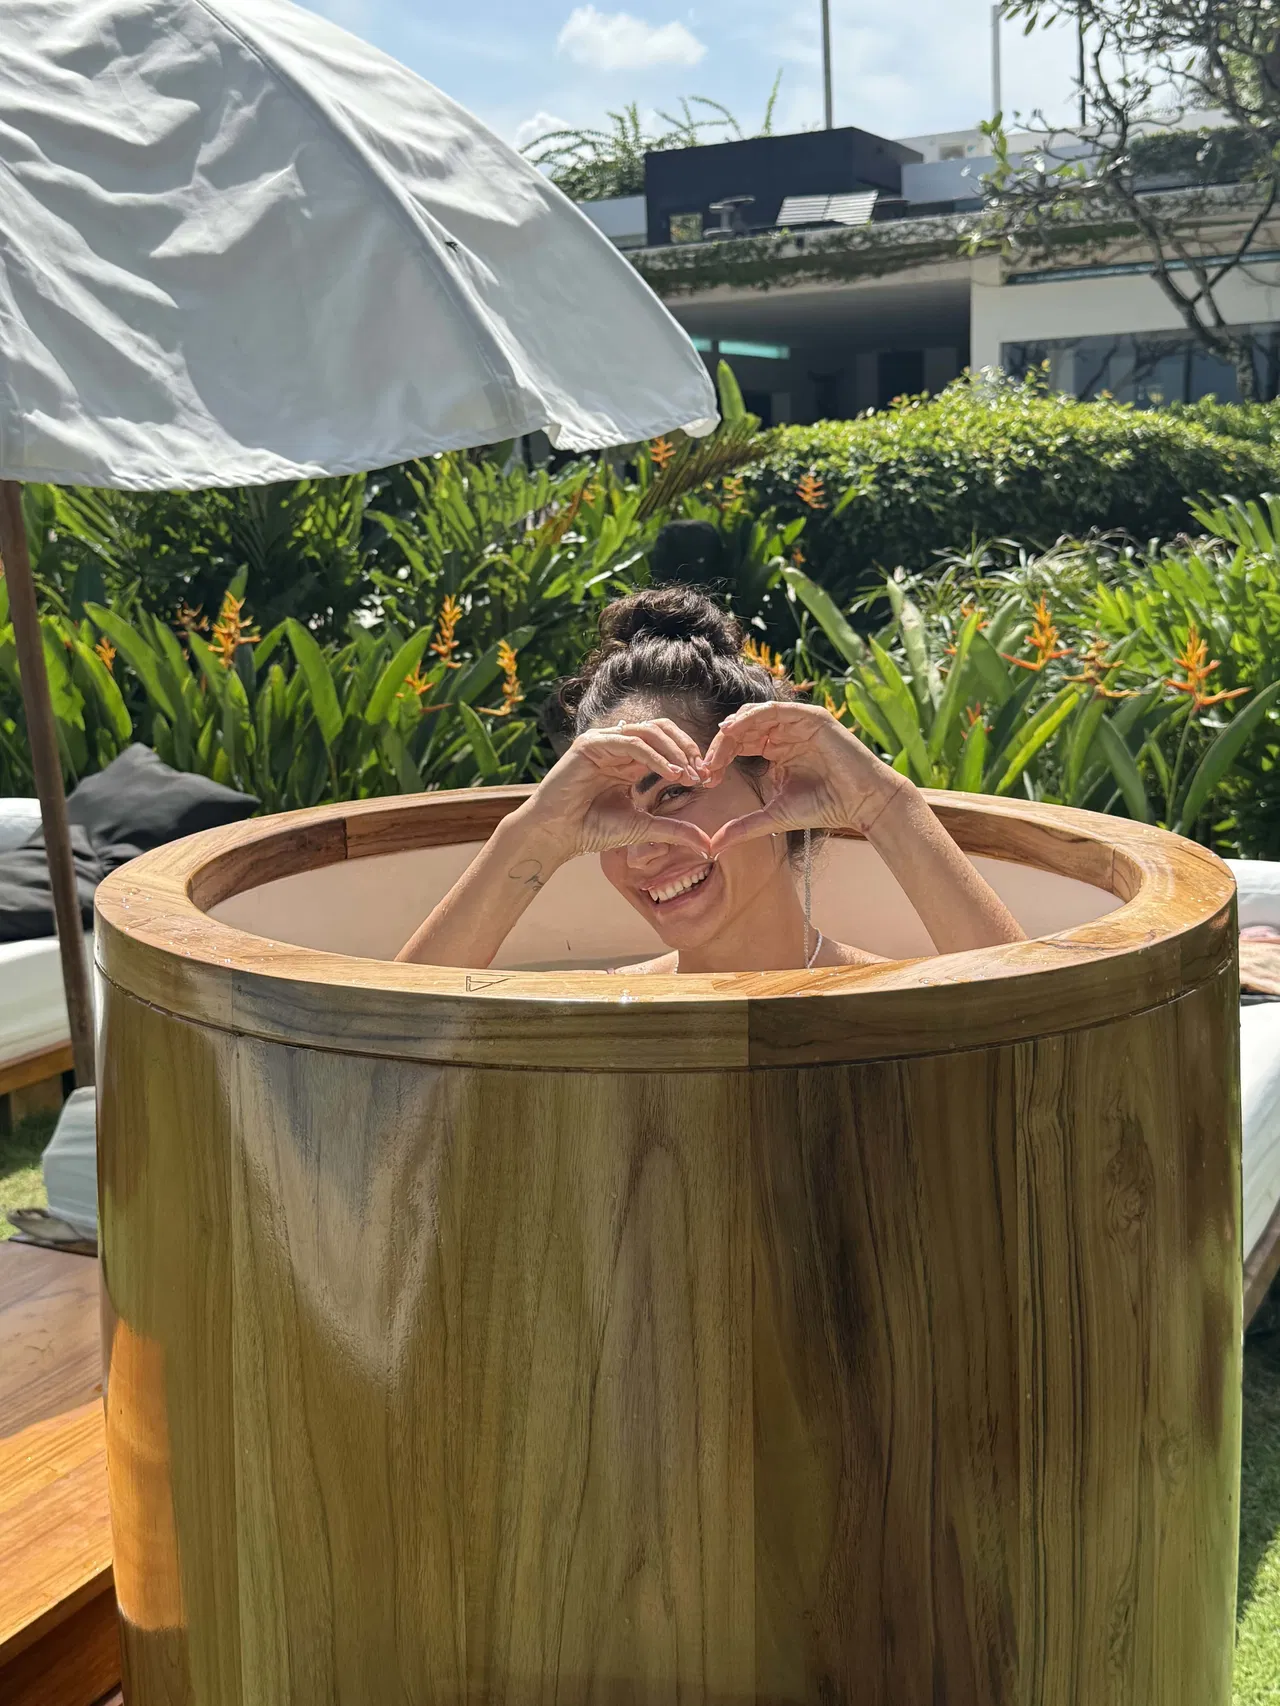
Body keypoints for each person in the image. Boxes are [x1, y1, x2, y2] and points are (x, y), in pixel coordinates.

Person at [397, 587, 1024, 972]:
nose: (640, 852)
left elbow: (1038, 1038)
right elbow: (385, 1051)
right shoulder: (603, 1013)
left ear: (774, 779)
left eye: (673, 790)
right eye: (611, 822)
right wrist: (533, 834)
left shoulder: (889, 1002)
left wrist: (884, 805)